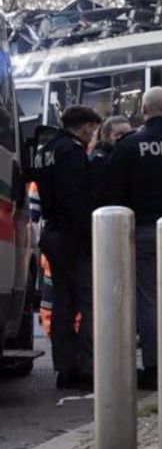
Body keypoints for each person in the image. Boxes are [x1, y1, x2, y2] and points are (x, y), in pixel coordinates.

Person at [103, 87, 162, 390]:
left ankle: (155, 367)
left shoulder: (129, 145)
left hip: (144, 231)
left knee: (150, 300)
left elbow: (113, 192)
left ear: (144, 111)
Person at [35, 105, 102, 389]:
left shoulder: (46, 149)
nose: (93, 135)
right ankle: (86, 365)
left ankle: (64, 366)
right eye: (93, 129)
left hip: (52, 233)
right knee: (88, 299)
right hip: (73, 236)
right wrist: (93, 232)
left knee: (62, 301)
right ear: (86, 126)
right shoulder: (73, 153)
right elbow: (75, 198)